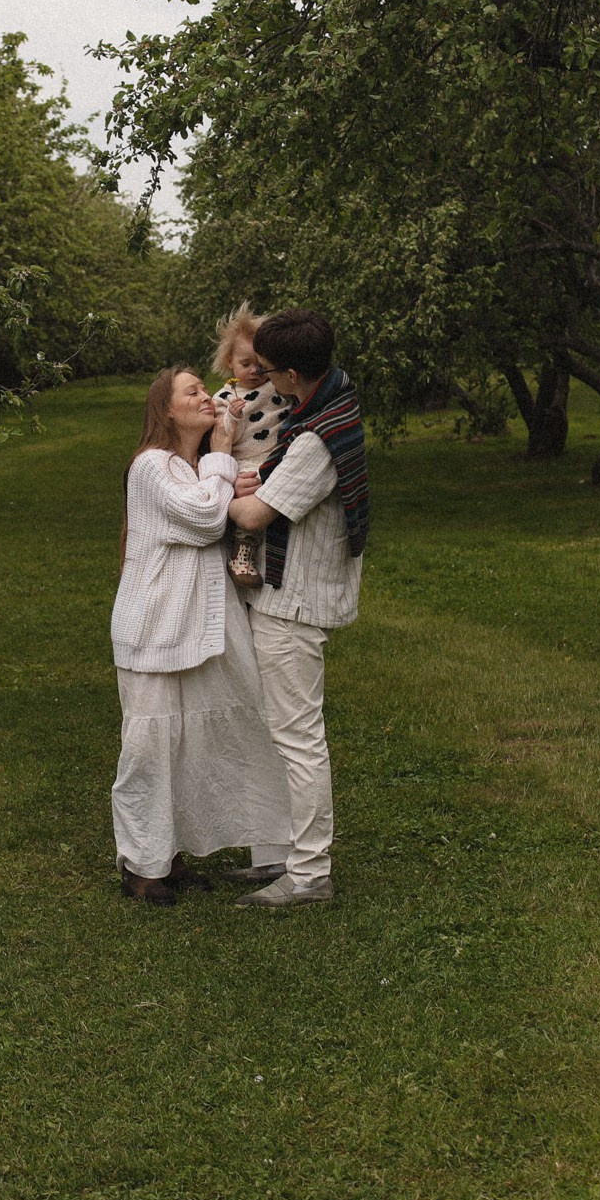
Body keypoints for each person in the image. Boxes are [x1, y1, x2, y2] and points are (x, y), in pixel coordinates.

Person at [108, 366, 293, 906]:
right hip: (155, 625)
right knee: (150, 744)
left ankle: (173, 854)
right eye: (191, 392)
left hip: (202, 621)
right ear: (166, 410)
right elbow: (204, 517)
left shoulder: (194, 466)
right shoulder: (151, 465)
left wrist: (227, 469)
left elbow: (225, 509)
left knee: (207, 737)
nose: (206, 397)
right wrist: (221, 458)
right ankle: (142, 867)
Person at [223, 308, 367, 909]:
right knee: (285, 731)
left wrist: (215, 489)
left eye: (271, 370)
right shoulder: (330, 403)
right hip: (293, 592)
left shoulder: (315, 437)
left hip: (295, 601)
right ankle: (288, 852)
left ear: (288, 373)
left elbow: (257, 517)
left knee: (299, 738)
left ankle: (309, 873)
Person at [210, 304, 295, 587]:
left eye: (260, 364)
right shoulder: (225, 397)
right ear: (229, 363)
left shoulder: (277, 386)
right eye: (245, 364)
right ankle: (242, 554)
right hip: (247, 459)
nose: (255, 371)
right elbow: (220, 440)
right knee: (252, 501)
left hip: (280, 453)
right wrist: (232, 417)